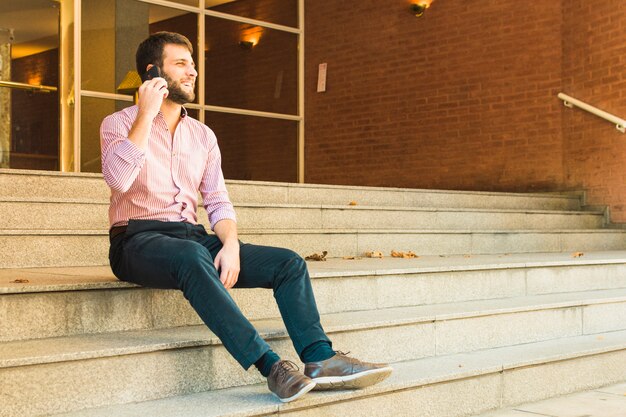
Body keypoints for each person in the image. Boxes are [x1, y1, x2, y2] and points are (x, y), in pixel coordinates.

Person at [100, 31, 392, 403]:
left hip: (191, 235)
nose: (192, 72)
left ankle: (320, 358)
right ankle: (271, 367)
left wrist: (231, 243)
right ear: (152, 72)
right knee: (192, 257)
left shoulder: (203, 136)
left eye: (192, 64)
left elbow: (217, 199)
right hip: (136, 240)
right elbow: (119, 180)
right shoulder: (118, 124)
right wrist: (145, 112)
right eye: (180, 64)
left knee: (287, 263)